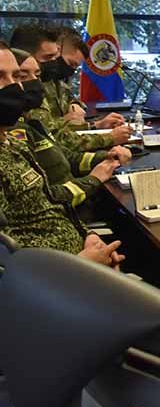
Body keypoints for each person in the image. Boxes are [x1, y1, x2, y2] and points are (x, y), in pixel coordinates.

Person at [0, 41, 125, 268]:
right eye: (0, 77)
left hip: (80, 256)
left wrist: (87, 236)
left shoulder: (13, 146)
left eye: (16, 77)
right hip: (57, 279)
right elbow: (7, 267)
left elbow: (50, 205)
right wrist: (79, 266)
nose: (15, 87)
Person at [10, 48, 128, 209]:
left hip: (75, 201)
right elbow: (43, 201)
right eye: (21, 76)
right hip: (67, 211)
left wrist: (106, 157)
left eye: (37, 75)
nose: (35, 82)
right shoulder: (13, 133)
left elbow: (66, 157)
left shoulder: (31, 123)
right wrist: (93, 180)